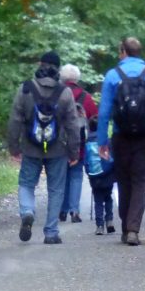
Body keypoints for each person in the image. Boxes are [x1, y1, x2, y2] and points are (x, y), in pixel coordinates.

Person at [96, 37, 145, 246]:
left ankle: (125, 226)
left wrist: (102, 141)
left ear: (123, 52)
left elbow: (103, 113)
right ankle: (133, 229)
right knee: (140, 181)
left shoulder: (112, 75)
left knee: (123, 181)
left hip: (121, 136)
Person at [6, 51, 80, 244]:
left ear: (40, 64)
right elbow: (73, 124)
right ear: (58, 68)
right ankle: (51, 232)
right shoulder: (65, 92)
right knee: (56, 189)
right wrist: (74, 151)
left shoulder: (25, 89)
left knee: (27, 183)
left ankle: (28, 211)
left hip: (31, 148)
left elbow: (14, 120)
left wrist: (14, 147)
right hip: (57, 149)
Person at [58, 64, 98, 224]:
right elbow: (95, 118)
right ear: (77, 78)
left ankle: (62, 209)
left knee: (61, 176)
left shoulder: (56, 94)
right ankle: (74, 210)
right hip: (80, 142)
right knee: (75, 175)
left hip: (58, 143)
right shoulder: (85, 97)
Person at [84, 117, 116, 235]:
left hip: (94, 176)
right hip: (107, 175)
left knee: (98, 201)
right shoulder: (107, 141)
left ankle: (99, 226)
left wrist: (88, 173)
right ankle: (109, 220)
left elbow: (85, 161)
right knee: (108, 198)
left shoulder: (87, 143)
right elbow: (112, 158)